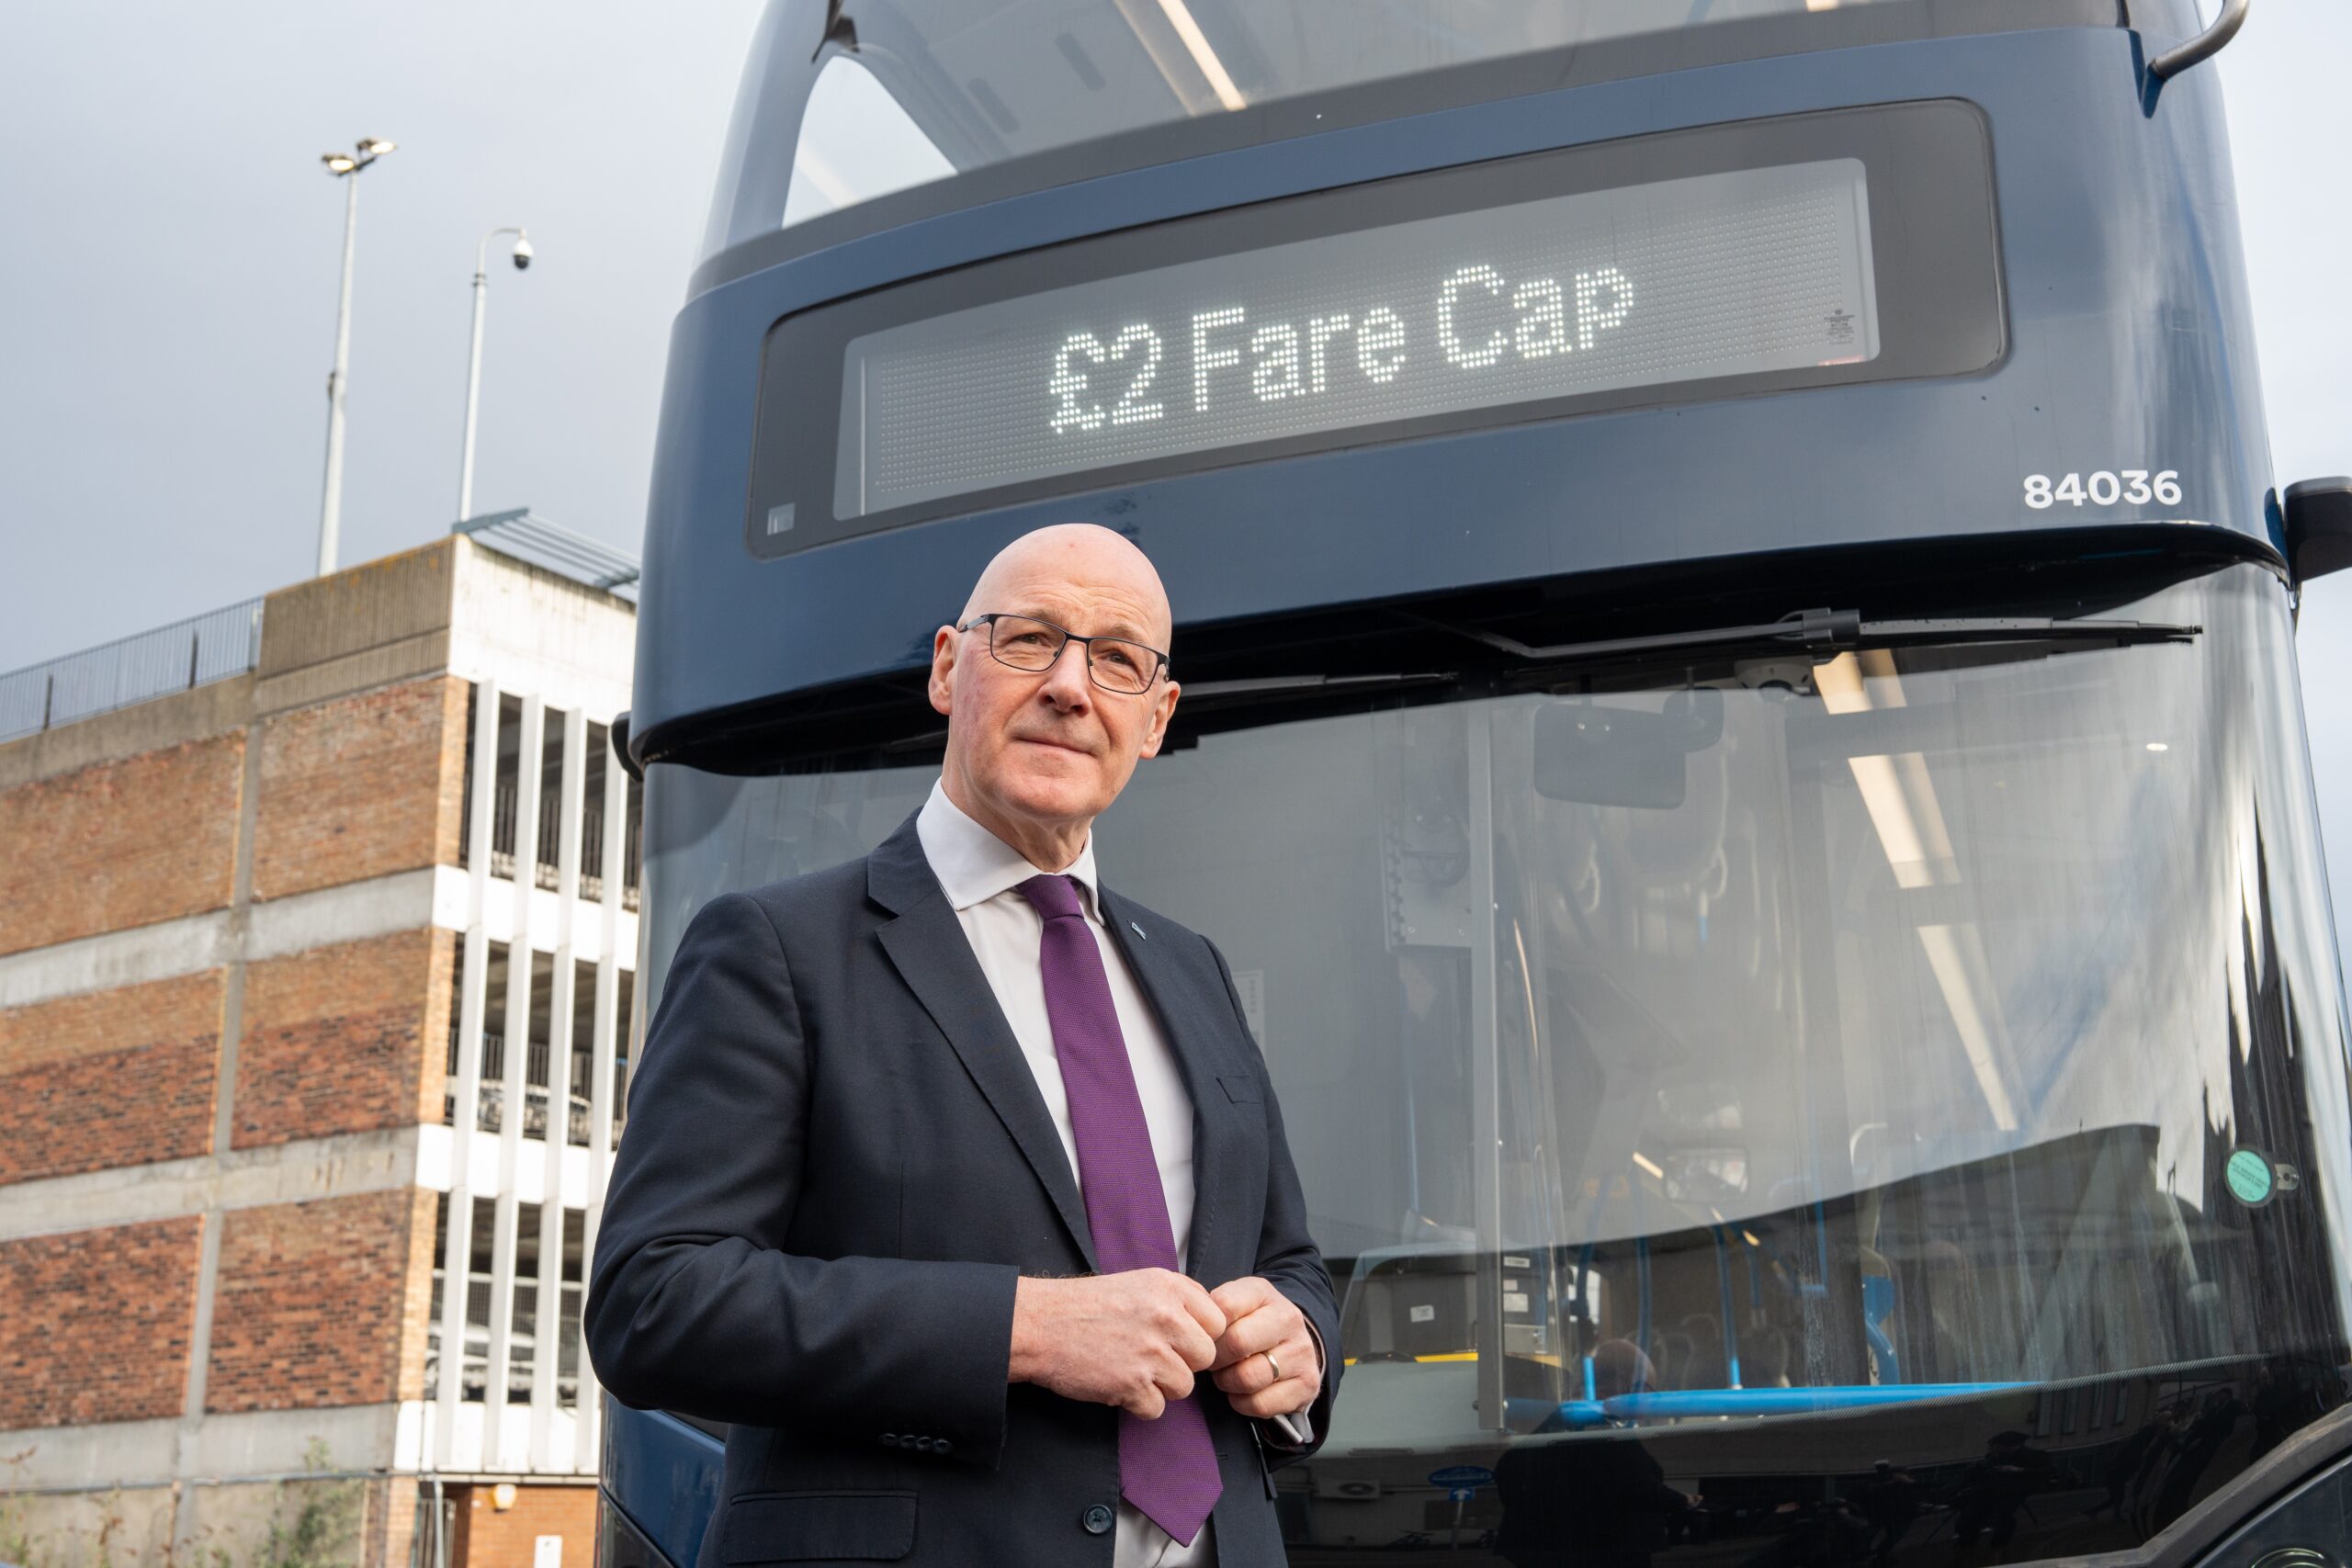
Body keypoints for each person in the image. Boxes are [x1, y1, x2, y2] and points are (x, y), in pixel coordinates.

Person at [585, 525, 1339, 1567]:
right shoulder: (775, 947)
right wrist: (1023, 1330)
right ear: (949, 667)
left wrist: (1300, 1344)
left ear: (1155, 718)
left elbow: (1289, 1261)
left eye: (1118, 659)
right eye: (1030, 639)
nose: (1072, 687)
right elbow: (653, 1300)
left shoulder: (1194, 969)